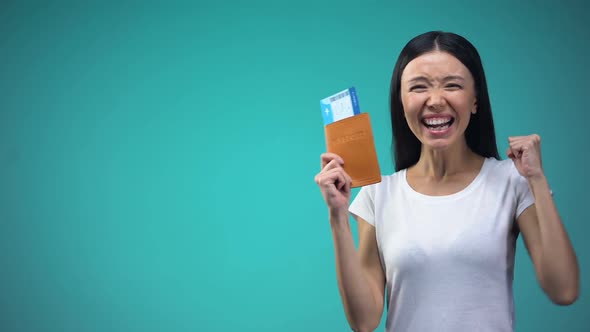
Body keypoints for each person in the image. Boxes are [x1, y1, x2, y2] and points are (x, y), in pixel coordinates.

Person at [314, 31, 579, 332]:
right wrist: (337, 216)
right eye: (418, 87)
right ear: (401, 103)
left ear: (475, 99)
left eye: (452, 85)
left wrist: (537, 180)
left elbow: (564, 290)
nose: (436, 101)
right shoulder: (378, 193)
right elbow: (364, 320)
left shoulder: (512, 181)